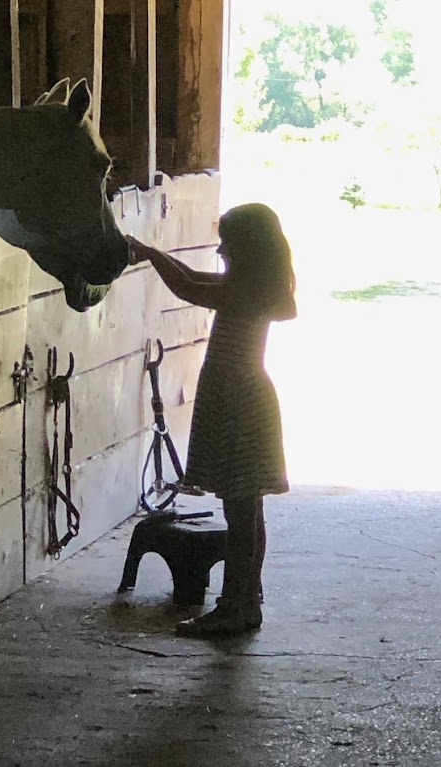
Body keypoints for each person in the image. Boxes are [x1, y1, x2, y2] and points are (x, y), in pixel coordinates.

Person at [126, 202, 297, 638]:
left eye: (228, 241)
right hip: (241, 396)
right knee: (246, 508)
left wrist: (148, 253)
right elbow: (197, 281)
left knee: (241, 509)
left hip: (237, 400)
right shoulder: (256, 283)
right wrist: (153, 254)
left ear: (247, 247)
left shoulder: (247, 290)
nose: (221, 248)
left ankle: (234, 606)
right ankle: (245, 602)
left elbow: (187, 287)